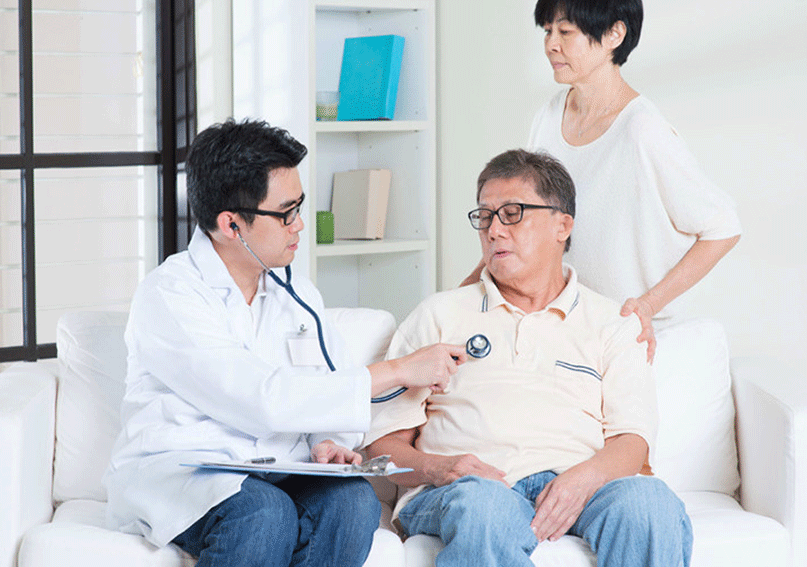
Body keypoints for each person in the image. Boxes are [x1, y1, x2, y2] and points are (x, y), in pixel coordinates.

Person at [103, 118, 466, 567]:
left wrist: (328, 441)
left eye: (299, 207)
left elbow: (325, 379)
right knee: (262, 514)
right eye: (285, 213)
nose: (299, 225)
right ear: (231, 224)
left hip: (274, 467)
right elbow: (261, 399)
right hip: (186, 469)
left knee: (353, 501)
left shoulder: (296, 292)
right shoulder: (170, 294)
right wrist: (397, 370)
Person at [366, 149, 692, 567]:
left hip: (581, 485)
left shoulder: (612, 323)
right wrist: (440, 468)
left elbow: (633, 440)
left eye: (512, 213)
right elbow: (384, 447)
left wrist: (584, 479)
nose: (494, 231)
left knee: (650, 503)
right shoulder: (438, 315)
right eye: (485, 217)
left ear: (562, 226)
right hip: (466, 490)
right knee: (486, 507)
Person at [462, 0, 741, 362]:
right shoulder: (548, 116)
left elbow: (723, 228)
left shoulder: (642, 131)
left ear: (614, 34)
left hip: (626, 334)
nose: (551, 45)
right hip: (564, 325)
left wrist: (648, 304)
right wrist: (464, 295)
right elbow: (523, 223)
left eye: (566, 32)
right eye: (547, 31)